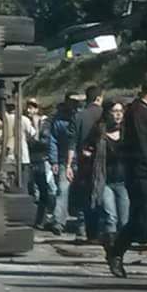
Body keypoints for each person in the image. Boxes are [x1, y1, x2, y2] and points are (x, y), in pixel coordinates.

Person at [107, 86, 147, 278]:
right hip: (141, 172)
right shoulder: (137, 111)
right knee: (141, 219)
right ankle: (116, 251)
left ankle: (116, 250)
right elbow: (141, 145)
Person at [85, 100, 129, 257]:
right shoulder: (99, 131)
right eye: (114, 111)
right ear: (107, 113)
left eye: (120, 111)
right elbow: (87, 147)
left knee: (124, 220)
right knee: (111, 216)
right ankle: (111, 250)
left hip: (124, 180)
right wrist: (88, 154)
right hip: (104, 180)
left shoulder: (127, 132)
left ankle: (119, 250)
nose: (118, 114)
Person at [67, 85, 104, 241]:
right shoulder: (104, 114)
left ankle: (86, 231)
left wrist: (68, 165)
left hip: (84, 162)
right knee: (102, 195)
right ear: (98, 98)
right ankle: (105, 230)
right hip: (103, 161)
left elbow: (72, 143)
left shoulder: (79, 116)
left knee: (84, 196)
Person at [47, 92, 80, 236]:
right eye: (72, 101)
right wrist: (53, 160)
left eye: (76, 101)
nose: (75, 104)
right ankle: (59, 222)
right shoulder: (58, 120)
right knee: (62, 190)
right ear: (66, 101)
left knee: (81, 192)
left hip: (81, 160)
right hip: (62, 160)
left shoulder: (81, 117)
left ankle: (82, 224)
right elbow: (53, 141)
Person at [26, 98, 56, 230]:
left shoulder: (45, 123)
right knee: (32, 189)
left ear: (38, 109)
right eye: (28, 107)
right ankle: (35, 218)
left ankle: (44, 218)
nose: (29, 110)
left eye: (33, 107)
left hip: (42, 160)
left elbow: (44, 142)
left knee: (46, 189)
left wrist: (35, 134)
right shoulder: (25, 121)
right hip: (30, 159)